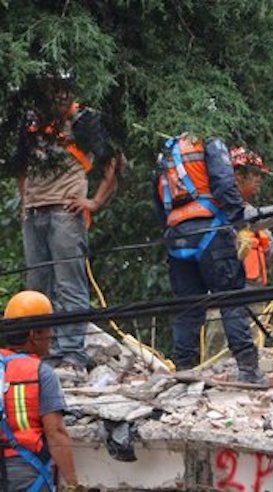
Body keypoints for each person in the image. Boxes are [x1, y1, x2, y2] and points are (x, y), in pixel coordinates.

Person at [11, 69, 123, 374]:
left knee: (69, 285)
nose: (60, 95)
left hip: (65, 211)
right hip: (34, 213)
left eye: (65, 90)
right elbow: (19, 165)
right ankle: (41, 354)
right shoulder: (31, 122)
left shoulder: (83, 120)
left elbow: (113, 159)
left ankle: (72, 353)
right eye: (53, 89)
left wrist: (95, 201)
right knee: (37, 289)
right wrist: (26, 200)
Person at [153, 134, 264, 384]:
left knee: (187, 306)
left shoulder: (167, 153)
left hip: (177, 238)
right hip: (211, 230)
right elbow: (224, 184)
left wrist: (171, 230)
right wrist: (239, 217)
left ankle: (184, 370)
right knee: (231, 298)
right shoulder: (209, 143)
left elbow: (158, 198)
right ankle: (248, 368)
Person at [1, 291, 78, 491]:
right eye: (48, 330)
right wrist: (73, 483)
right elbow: (56, 433)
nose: (51, 336)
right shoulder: (41, 373)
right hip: (27, 470)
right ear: (34, 334)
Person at [231, 147, 273, 288]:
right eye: (255, 173)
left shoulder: (252, 213)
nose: (259, 180)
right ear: (238, 175)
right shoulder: (225, 210)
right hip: (228, 299)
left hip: (254, 297)